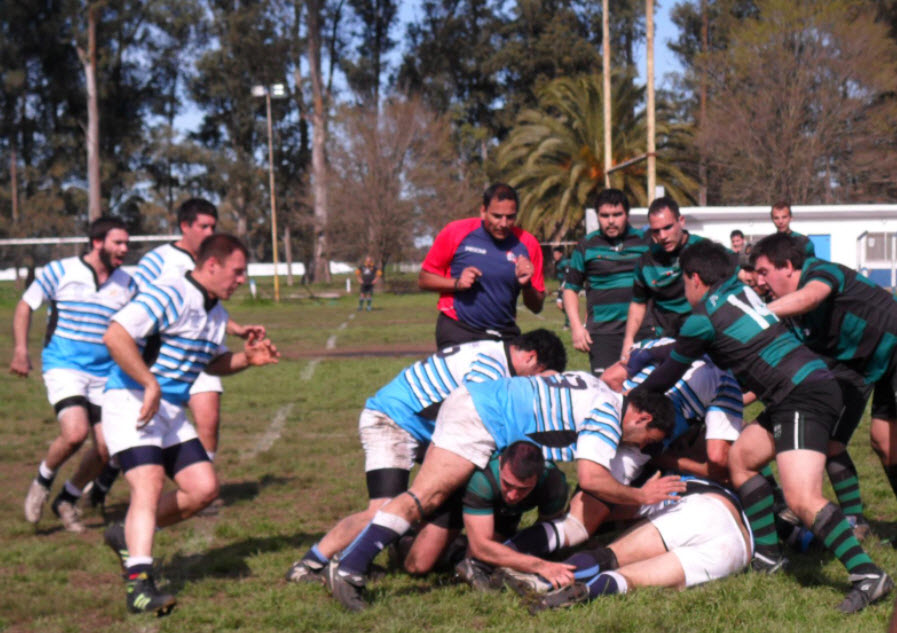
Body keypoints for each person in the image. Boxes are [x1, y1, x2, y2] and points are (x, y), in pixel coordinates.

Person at [634, 238, 891, 614]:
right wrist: (642, 357)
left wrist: (630, 395)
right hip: (803, 388)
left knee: (802, 498)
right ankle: (769, 558)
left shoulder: (703, 317)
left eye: (683, 284)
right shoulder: (739, 292)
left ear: (693, 279)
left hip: (802, 395)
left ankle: (868, 575)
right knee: (741, 460)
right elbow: (685, 349)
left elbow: (672, 368)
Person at [325, 372, 680, 611]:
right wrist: (641, 497)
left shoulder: (598, 388)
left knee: (430, 505)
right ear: (642, 419)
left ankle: (476, 558)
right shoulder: (607, 414)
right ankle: (349, 568)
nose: (639, 446)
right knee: (425, 497)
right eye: (647, 440)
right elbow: (590, 478)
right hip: (481, 415)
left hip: (479, 402)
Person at [284, 330, 567, 585]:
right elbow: (480, 419)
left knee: (422, 497)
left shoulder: (493, 353)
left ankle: (407, 543)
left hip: (414, 424)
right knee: (383, 509)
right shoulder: (490, 367)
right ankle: (311, 564)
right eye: (538, 378)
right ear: (531, 358)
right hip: (395, 422)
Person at [100, 234, 279, 615]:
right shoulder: (170, 292)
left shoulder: (214, 312)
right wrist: (149, 382)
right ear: (211, 265)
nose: (242, 279)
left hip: (170, 410)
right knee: (147, 485)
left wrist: (248, 360)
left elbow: (208, 363)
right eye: (237, 271)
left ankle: (125, 536)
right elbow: (115, 335)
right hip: (131, 401)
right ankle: (140, 586)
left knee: (204, 488)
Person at [88, 198, 263, 508]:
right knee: (141, 452)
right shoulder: (159, 261)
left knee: (209, 421)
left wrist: (238, 337)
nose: (210, 231)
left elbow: (212, 311)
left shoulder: (219, 265)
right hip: (157, 361)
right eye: (203, 226)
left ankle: (197, 490)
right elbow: (140, 306)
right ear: (185, 226)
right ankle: (108, 482)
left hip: (200, 350)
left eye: (213, 225)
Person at [502, 341, 742, 561]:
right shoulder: (726, 382)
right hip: (639, 439)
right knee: (578, 524)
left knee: (583, 505)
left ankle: (508, 548)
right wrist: (703, 470)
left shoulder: (664, 344)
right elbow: (717, 457)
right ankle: (504, 554)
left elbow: (611, 376)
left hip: (613, 410)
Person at [751, 232, 897, 537]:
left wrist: (755, 316)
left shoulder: (820, 271)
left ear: (787, 266)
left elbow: (810, 297)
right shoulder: (788, 316)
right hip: (862, 366)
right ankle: (855, 522)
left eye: (764, 272)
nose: (759, 281)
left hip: (892, 345)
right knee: (878, 443)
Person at [15, 217, 136, 533]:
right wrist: (20, 350)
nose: (125, 248)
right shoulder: (61, 271)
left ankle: (66, 499)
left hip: (105, 372)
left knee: (108, 447)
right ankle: (42, 480)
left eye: (126, 242)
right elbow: (26, 306)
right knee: (74, 433)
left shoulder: (127, 284)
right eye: (118, 242)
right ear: (97, 242)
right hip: (64, 365)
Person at [503, 475, 752, 613]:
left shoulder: (664, 481)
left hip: (703, 510)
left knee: (609, 556)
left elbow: (610, 512)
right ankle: (590, 592)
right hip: (740, 548)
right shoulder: (734, 493)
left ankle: (541, 582)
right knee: (630, 579)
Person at [392, 441, 569, 587]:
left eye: (523, 489)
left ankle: (457, 549)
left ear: (538, 478)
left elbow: (545, 533)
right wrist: (538, 565)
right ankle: (403, 538)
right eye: (508, 484)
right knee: (417, 566)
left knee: (478, 565)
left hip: (503, 512)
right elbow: (482, 548)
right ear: (501, 464)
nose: (513, 495)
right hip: (457, 499)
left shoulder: (554, 483)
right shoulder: (483, 478)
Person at [418, 183, 546, 348]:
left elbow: (536, 307)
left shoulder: (527, 243)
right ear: (483, 211)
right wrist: (457, 283)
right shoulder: (456, 232)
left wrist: (527, 284)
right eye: (497, 216)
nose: (504, 223)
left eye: (510, 217)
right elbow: (423, 280)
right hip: (459, 328)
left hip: (504, 334)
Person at [564, 189, 651, 375]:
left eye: (617, 214)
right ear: (597, 216)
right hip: (604, 334)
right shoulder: (586, 245)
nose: (611, 221)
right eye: (604, 215)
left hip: (644, 331)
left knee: (646, 392)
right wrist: (577, 328)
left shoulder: (646, 242)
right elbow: (570, 289)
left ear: (626, 214)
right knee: (607, 392)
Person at [620, 196, 707, 363]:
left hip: (702, 337)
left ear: (681, 221)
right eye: (656, 231)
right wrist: (628, 340)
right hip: (665, 338)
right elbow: (638, 303)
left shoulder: (704, 250)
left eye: (668, 227)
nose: (663, 236)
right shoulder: (646, 262)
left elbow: (738, 277)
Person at [551, 246, 570, 329]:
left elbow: (568, 275)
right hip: (561, 286)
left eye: (556, 254)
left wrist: (564, 285)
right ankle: (570, 319)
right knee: (559, 305)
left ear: (561, 254)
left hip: (566, 286)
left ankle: (567, 323)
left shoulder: (565, 262)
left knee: (565, 304)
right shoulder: (557, 262)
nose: (555, 255)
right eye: (554, 254)